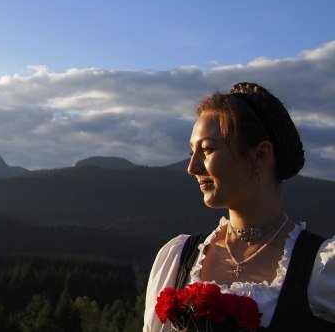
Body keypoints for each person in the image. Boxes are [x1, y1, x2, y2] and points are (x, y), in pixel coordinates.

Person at [143, 83, 335, 331]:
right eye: (192, 151)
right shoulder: (179, 258)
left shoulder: (319, 269)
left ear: (262, 155)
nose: (192, 167)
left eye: (207, 149)